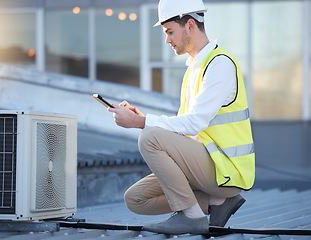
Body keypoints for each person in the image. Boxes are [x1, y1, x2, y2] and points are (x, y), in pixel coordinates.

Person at [108, 0, 255, 235]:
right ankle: (217, 202)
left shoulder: (220, 65)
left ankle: (192, 216)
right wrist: (143, 118)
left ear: (189, 25)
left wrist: (142, 123)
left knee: (149, 138)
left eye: (169, 32)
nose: (167, 40)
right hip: (206, 165)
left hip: (226, 170)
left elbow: (194, 123)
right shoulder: (194, 69)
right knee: (135, 199)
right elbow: (185, 128)